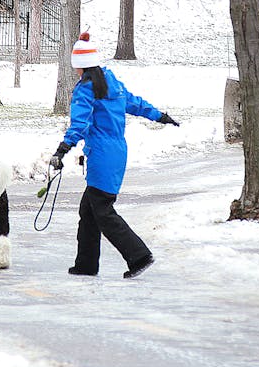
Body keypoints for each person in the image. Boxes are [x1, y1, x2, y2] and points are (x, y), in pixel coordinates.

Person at [48, 32, 179, 279]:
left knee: (103, 211)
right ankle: (86, 265)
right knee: (89, 211)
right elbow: (136, 104)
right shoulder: (112, 83)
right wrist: (160, 115)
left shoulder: (86, 90)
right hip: (117, 152)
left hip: (100, 155)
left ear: (80, 67)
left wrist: (63, 149)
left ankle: (139, 255)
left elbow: (79, 124)